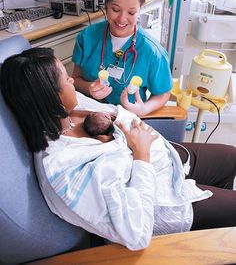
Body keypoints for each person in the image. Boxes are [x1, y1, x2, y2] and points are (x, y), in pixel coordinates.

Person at [1, 47, 236, 251]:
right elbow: (136, 232)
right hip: (161, 201)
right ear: (51, 98)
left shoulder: (66, 111)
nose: (73, 81)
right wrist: (141, 152)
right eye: (66, 80)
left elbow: (118, 116)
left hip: (165, 159)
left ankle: (211, 233)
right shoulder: (64, 168)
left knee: (231, 158)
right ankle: (208, 240)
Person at [71, 0, 172, 116]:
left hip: (127, 120)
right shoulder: (87, 38)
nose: (122, 19)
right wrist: (89, 88)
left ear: (139, 11)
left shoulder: (152, 51)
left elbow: (163, 93)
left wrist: (144, 109)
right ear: (106, 4)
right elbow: (74, 79)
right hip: (89, 117)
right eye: (115, 10)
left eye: (131, 13)